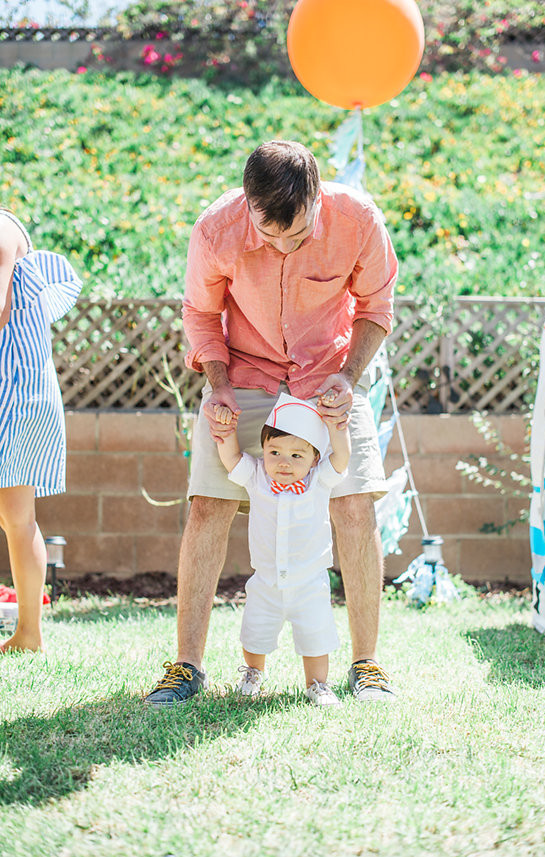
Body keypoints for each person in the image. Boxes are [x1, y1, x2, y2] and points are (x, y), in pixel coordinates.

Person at [144, 140, 397, 706]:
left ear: (317, 197)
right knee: (207, 505)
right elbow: (201, 313)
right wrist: (218, 385)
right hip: (244, 373)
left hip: (330, 374)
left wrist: (349, 378)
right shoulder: (216, 229)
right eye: (269, 234)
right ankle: (186, 666)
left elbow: (376, 308)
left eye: (298, 234)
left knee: (355, 503)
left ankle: (367, 665)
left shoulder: (359, 220)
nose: (283, 246)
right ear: (248, 203)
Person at [215, 392, 350, 706]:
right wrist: (227, 432)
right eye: (274, 452)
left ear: (314, 459)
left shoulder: (319, 481)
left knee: (315, 637)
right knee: (255, 632)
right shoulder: (257, 477)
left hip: (310, 582)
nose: (284, 462)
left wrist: (336, 429)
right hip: (266, 581)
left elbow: (341, 458)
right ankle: (253, 673)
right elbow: (232, 459)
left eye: (296, 455)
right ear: (263, 450)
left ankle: (317, 684)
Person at [0, 209, 82, 653]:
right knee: (15, 517)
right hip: (20, 388)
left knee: (17, 517)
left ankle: (30, 633)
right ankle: (28, 633)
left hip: (13, 392)